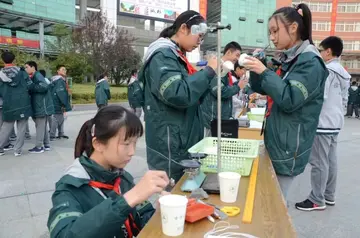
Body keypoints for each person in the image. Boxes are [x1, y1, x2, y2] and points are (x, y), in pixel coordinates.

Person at [244, 3, 328, 199]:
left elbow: (290, 98)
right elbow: (261, 88)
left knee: (276, 205)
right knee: (271, 200)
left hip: (289, 146)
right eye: (270, 33)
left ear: (293, 28)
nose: (271, 37)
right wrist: (259, 68)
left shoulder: (310, 62)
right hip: (279, 141)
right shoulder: (291, 59)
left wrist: (264, 71)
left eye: (275, 31)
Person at [47, 105, 169, 238]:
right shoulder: (69, 188)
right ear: (98, 144)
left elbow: (142, 218)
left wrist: (161, 213)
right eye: (126, 144)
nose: (132, 152)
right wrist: (128, 199)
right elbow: (64, 234)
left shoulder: (122, 178)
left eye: (135, 143)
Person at [139, 10, 218, 182]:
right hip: (170, 144)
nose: (200, 41)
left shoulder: (176, 56)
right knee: (171, 195)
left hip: (179, 140)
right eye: (199, 35)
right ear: (183, 28)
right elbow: (178, 93)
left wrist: (209, 76)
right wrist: (208, 72)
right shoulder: (163, 55)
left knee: (182, 192)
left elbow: (194, 96)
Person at [295, 36, 350, 211]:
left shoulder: (327, 71)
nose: (319, 53)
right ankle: (328, 195)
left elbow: (320, 97)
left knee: (319, 162)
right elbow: (343, 99)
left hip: (323, 122)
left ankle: (317, 199)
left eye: (320, 50)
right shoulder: (343, 72)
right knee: (330, 159)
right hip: (335, 121)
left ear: (328, 52)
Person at [202, 41, 243, 136]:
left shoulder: (226, 68)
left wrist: (238, 84)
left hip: (221, 118)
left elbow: (225, 87)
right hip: (212, 119)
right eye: (236, 55)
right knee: (211, 148)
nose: (237, 59)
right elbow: (220, 91)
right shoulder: (216, 66)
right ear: (228, 52)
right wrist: (238, 87)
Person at [0, 51, 33, 157]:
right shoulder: (22, 72)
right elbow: (29, 85)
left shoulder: (0, 74)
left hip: (8, 104)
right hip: (22, 103)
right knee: (22, 127)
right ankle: (17, 150)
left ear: (3, 60)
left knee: (6, 127)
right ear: (14, 60)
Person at [25, 61, 55, 153]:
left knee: (40, 126)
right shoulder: (35, 76)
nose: (26, 69)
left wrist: (31, 86)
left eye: (27, 67)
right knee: (42, 126)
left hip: (41, 106)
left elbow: (43, 87)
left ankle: (39, 147)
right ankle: (46, 145)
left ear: (33, 67)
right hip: (40, 105)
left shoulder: (37, 76)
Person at [50, 65, 71, 141]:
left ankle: (61, 133)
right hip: (58, 102)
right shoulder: (59, 80)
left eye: (65, 69)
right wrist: (65, 103)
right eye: (62, 69)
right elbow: (61, 93)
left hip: (56, 101)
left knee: (61, 118)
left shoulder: (58, 79)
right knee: (56, 118)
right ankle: (52, 135)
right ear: (58, 71)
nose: (65, 71)